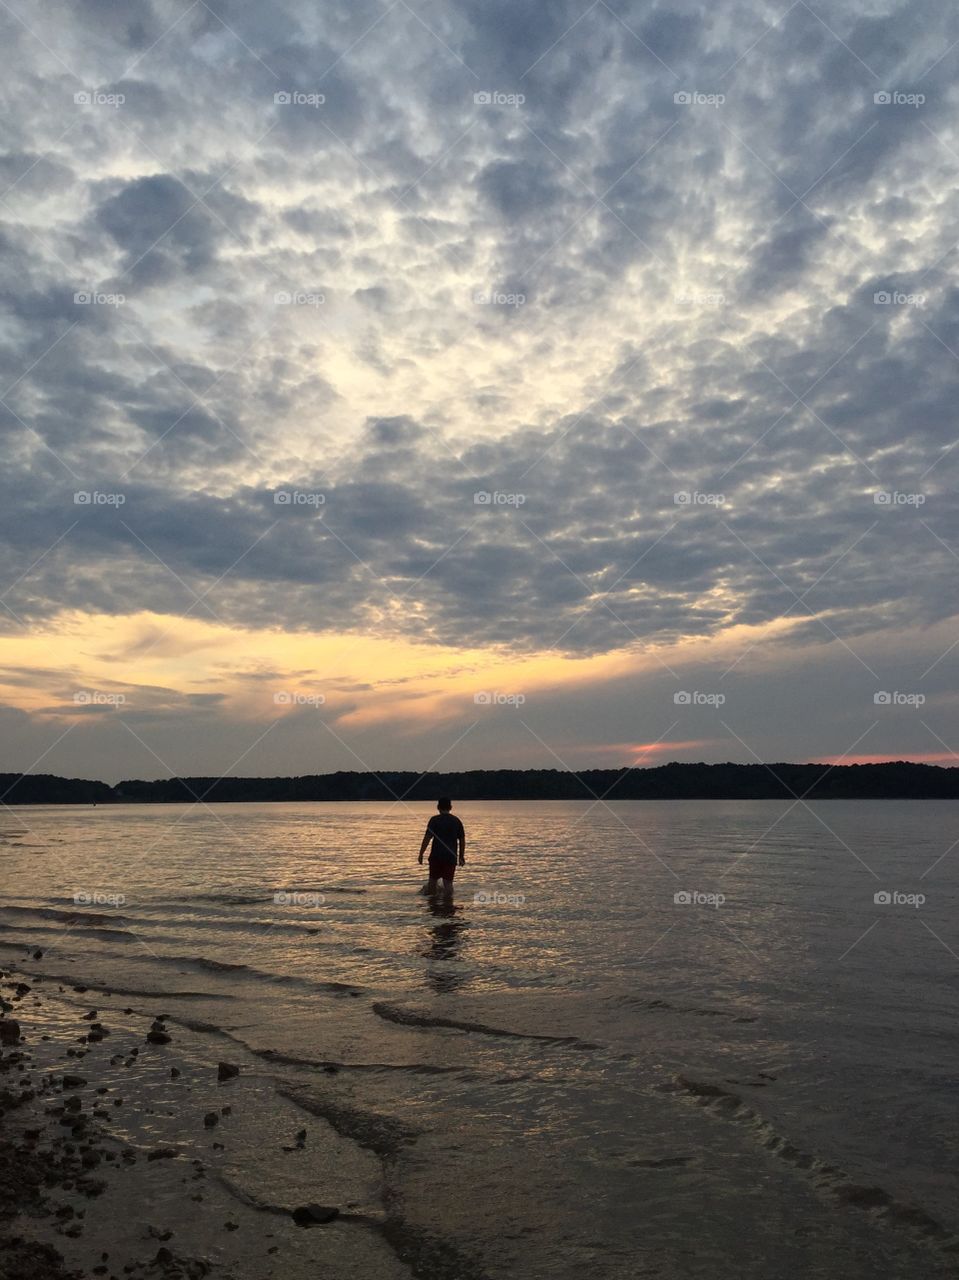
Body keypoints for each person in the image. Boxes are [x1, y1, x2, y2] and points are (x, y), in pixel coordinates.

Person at [418, 798, 465, 897]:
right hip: (450, 857)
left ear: (438, 807)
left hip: (436, 856)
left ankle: (433, 906)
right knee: (448, 883)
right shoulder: (456, 821)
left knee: (432, 882)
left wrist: (421, 853)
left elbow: (427, 838)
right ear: (451, 808)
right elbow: (462, 840)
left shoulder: (434, 820)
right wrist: (461, 856)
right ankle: (449, 905)